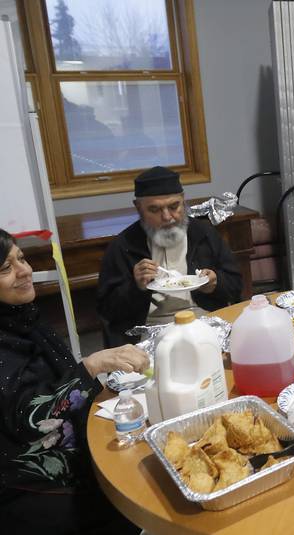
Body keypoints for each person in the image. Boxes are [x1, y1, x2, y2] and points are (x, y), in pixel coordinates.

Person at [0, 229, 149, 534]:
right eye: (5, 268)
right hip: (26, 481)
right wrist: (93, 365)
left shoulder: (22, 318)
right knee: (132, 495)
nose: (25, 271)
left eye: (21, 258)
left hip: (68, 447)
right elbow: (30, 419)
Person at [97, 166, 242, 346]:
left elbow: (236, 285)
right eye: (154, 210)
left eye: (174, 206)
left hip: (203, 320)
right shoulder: (124, 245)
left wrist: (214, 284)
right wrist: (135, 287)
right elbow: (108, 311)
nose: (167, 217)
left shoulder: (203, 233)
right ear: (139, 208)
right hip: (150, 329)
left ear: (183, 200)